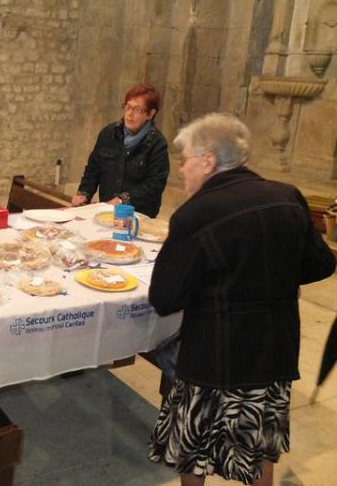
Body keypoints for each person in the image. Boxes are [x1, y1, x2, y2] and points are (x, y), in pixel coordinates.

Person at [147, 113, 335, 485]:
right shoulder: (288, 196)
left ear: (208, 161)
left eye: (184, 160)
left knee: (194, 444)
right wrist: (272, 282)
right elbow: (322, 263)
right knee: (260, 442)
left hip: (214, 355)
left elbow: (165, 297)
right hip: (273, 350)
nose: (181, 170)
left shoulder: (195, 214)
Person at [71, 83, 169, 217]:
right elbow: (93, 169)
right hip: (107, 213)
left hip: (139, 216)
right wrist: (84, 193)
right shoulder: (109, 133)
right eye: (128, 107)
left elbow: (154, 185)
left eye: (137, 109)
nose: (129, 113)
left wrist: (122, 200)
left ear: (150, 114)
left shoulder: (157, 144)